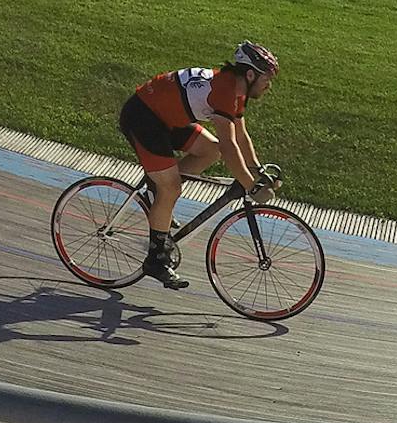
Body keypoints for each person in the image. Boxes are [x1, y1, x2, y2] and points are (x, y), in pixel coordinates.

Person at [120, 43, 281, 287]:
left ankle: (158, 191)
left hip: (167, 117)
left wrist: (257, 171)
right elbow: (230, 146)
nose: (269, 85)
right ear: (250, 75)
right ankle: (156, 259)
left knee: (210, 150)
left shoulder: (237, 90)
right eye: (266, 78)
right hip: (144, 118)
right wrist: (251, 185)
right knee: (172, 188)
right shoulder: (224, 91)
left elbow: (240, 135)